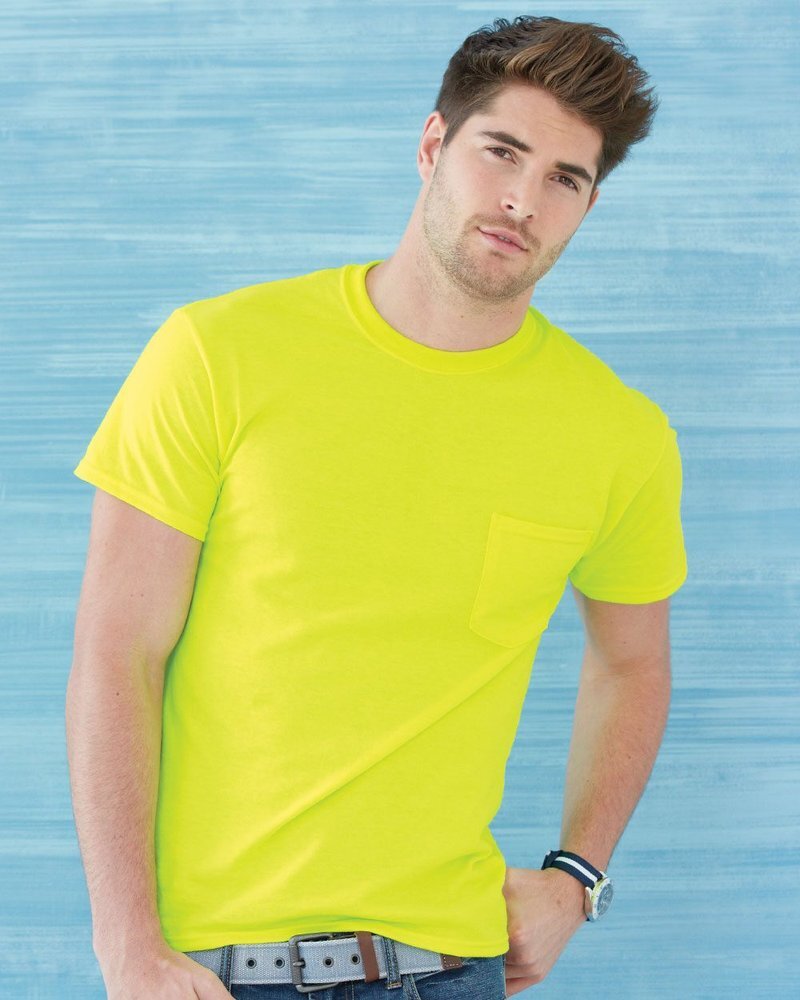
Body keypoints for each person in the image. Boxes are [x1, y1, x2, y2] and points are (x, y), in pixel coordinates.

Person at [66, 13, 688, 1000]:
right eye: (501, 152)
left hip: (450, 968)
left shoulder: (617, 431)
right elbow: (116, 653)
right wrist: (127, 945)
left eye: (563, 179)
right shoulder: (218, 355)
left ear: (587, 204)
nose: (522, 200)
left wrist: (576, 878)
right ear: (433, 144)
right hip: (213, 971)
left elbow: (633, 661)